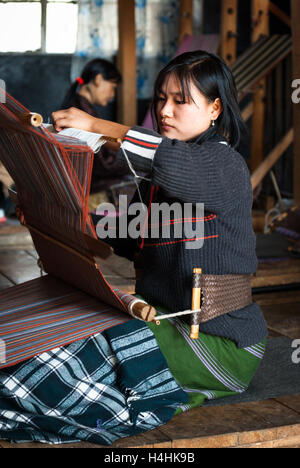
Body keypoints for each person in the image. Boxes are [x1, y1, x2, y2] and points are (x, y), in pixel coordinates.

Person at [0, 51, 268, 447]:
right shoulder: (160, 184)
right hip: (157, 317)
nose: (165, 110)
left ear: (214, 109)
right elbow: (125, 233)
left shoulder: (224, 166)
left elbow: (167, 159)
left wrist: (95, 125)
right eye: (161, 98)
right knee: (36, 359)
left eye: (181, 100)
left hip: (218, 341)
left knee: (44, 375)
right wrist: (48, 215)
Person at [61, 58, 132, 203]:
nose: (112, 94)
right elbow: (103, 164)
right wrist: (134, 162)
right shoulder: (83, 112)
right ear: (98, 79)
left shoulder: (76, 105)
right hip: (86, 185)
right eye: (112, 87)